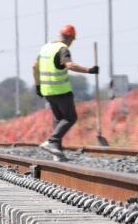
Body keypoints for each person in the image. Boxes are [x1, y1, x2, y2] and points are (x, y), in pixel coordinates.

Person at [34, 24, 98, 158]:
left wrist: (38, 85)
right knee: (70, 118)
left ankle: (57, 153)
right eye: (73, 40)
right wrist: (89, 70)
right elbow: (70, 65)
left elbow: (34, 66)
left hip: (47, 91)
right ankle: (52, 141)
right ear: (70, 38)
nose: (72, 43)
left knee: (59, 120)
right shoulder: (62, 49)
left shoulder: (46, 47)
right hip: (61, 91)